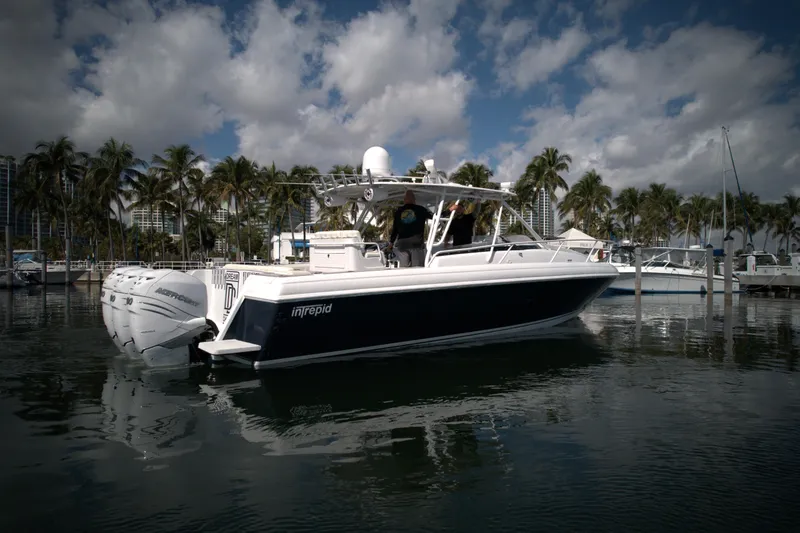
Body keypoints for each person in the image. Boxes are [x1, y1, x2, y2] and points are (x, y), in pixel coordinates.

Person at [388, 190, 433, 267]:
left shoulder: (398, 212)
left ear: (404, 200)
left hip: (402, 245)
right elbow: (434, 216)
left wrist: (391, 243)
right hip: (416, 244)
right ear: (414, 200)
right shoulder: (420, 209)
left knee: (404, 270)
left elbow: (394, 230)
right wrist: (449, 211)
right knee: (417, 269)